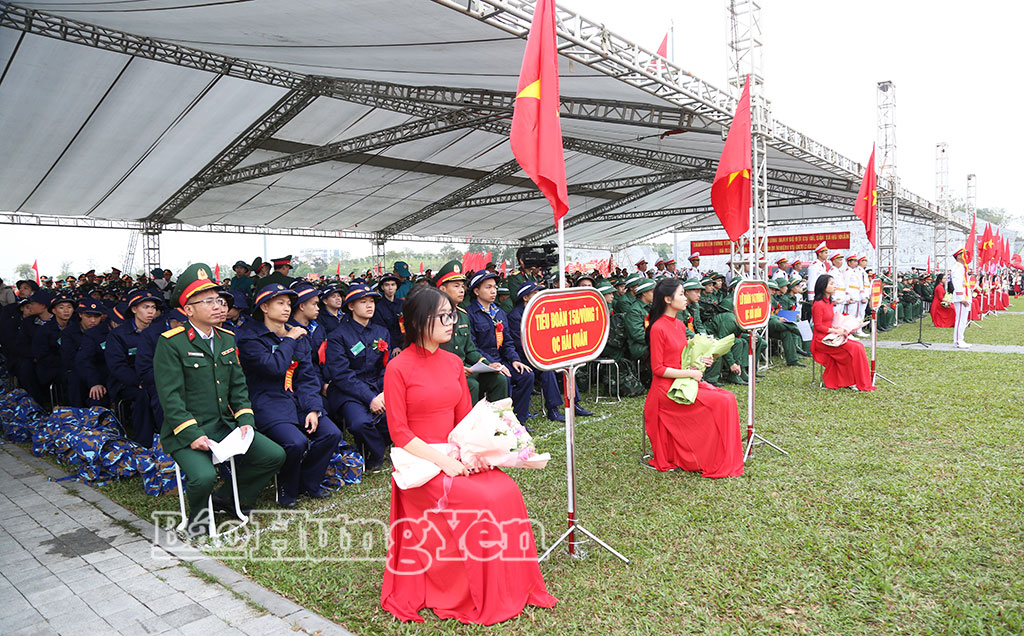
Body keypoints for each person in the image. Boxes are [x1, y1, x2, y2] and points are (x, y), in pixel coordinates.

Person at [380, 286, 557, 624]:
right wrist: (444, 461)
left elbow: (465, 420)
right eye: (443, 316)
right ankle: (470, 589)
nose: (452, 322)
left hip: (456, 452)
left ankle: (510, 587)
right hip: (420, 460)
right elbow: (399, 433)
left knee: (506, 490)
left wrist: (484, 450)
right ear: (418, 322)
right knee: (482, 500)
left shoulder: (452, 362)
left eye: (452, 315)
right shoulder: (398, 368)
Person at [155, 263, 286, 536]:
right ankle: (198, 519)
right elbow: (171, 398)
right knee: (203, 478)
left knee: (273, 455)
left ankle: (227, 498)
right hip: (187, 431)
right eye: (208, 301)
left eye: (220, 299)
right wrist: (192, 434)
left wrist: (245, 421)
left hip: (223, 425)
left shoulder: (227, 338)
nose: (219, 306)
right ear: (188, 310)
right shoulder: (171, 343)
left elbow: (238, 386)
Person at [237, 284, 343, 508]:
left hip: (298, 401)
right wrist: (289, 340)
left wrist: (314, 408)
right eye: (280, 303)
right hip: (268, 401)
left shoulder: (296, 334)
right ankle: (287, 489)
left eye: (288, 304)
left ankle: (309, 481)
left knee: (331, 433)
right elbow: (273, 367)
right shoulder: (250, 337)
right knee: (295, 442)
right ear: (264, 307)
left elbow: (306, 376)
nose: (287, 308)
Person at [643, 278, 744, 477]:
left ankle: (716, 455)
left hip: (683, 381)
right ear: (668, 299)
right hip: (666, 390)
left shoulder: (680, 325)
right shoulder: (657, 328)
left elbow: (683, 359)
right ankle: (709, 457)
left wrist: (704, 361)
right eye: (681, 294)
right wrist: (690, 373)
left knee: (728, 398)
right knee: (721, 402)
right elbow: (658, 369)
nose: (685, 298)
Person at [325, 283, 391, 471]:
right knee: (359, 423)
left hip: (378, 387)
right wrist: (369, 398)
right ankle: (377, 453)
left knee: (399, 415)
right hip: (349, 391)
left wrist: (382, 393)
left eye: (372, 301)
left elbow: (387, 367)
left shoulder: (381, 332)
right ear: (351, 306)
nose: (370, 305)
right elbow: (342, 375)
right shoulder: (338, 336)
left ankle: (371, 446)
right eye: (363, 302)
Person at [434, 261, 510, 405]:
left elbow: (470, 350)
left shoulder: (462, 315)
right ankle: (471, 425)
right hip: (443, 371)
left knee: (498, 379)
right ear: (443, 289)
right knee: (472, 384)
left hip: (467, 369)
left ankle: (498, 422)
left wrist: (489, 364)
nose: (461, 290)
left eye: (462, 286)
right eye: (456, 286)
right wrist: (458, 368)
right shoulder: (433, 316)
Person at [466, 270, 534, 423]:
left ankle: (518, 420)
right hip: (483, 364)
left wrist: (515, 360)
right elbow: (473, 346)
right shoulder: (470, 314)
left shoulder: (499, 313)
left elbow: (507, 342)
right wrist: (492, 364)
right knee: (503, 379)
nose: (493, 291)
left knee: (526, 375)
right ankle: (500, 422)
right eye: (488, 287)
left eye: (495, 287)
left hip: (502, 360)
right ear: (476, 291)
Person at [106, 289, 162, 445]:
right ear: (134, 309)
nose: (151, 311)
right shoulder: (118, 334)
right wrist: (138, 380)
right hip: (128, 381)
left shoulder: (160, 332)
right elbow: (117, 366)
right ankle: (143, 442)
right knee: (142, 395)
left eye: (153, 307)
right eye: (146, 307)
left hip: (155, 376)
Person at [810, 275, 876, 391]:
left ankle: (855, 380)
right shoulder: (818, 304)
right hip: (822, 340)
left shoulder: (829, 302)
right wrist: (836, 331)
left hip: (832, 336)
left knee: (858, 346)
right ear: (823, 286)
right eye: (831, 284)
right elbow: (818, 326)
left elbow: (830, 321)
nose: (834, 286)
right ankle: (853, 381)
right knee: (854, 349)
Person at [372, 273, 404, 351]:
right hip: (388, 346)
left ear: (396, 287)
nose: (390, 288)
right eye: (387, 285)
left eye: (393, 285)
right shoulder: (378, 307)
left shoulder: (402, 304)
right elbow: (381, 330)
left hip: (404, 343)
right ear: (382, 287)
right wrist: (394, 346)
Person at [950, 248, 971, 348]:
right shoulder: (958, 267)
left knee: (963, 320)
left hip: (964, 295)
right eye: (963, 254)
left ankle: (960, 339)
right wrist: (962, 297)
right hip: (961, 296)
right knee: (960, 320)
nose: (965, 256)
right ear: (959, 256)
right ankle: (958, 340)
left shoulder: (962, 267)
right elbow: (957, 283)